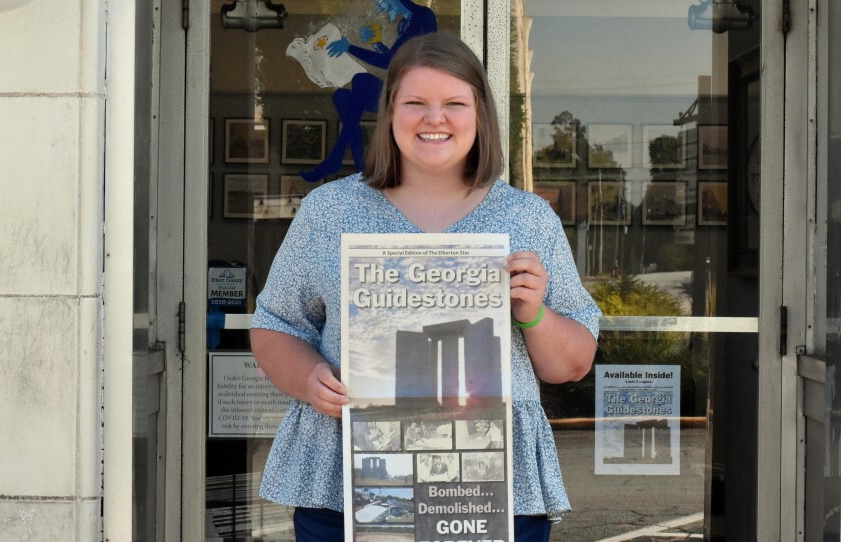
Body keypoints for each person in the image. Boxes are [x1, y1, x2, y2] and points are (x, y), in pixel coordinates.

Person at [250, 31, 601, 542]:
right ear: (390, 112)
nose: (434, 118)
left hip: (489, 483)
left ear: (479, 115)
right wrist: (308, 379)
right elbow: (275, 324)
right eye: (415, 102)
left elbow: (571, 364)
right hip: (348, 477)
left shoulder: (527, 219)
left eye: (454, 103)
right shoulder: (330, 212)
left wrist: (534, 313)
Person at [299, 0, 437, 181]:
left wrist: (348, 47)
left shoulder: (422, 16)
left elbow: (389, 62)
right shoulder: (405, 22)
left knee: (361, 80)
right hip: (400, 92)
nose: (381, 8)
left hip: (416, 96)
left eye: (383, 3)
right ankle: (359, 166)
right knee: (341, 97)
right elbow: (395, 59)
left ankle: (336, 158)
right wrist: (376, 43)